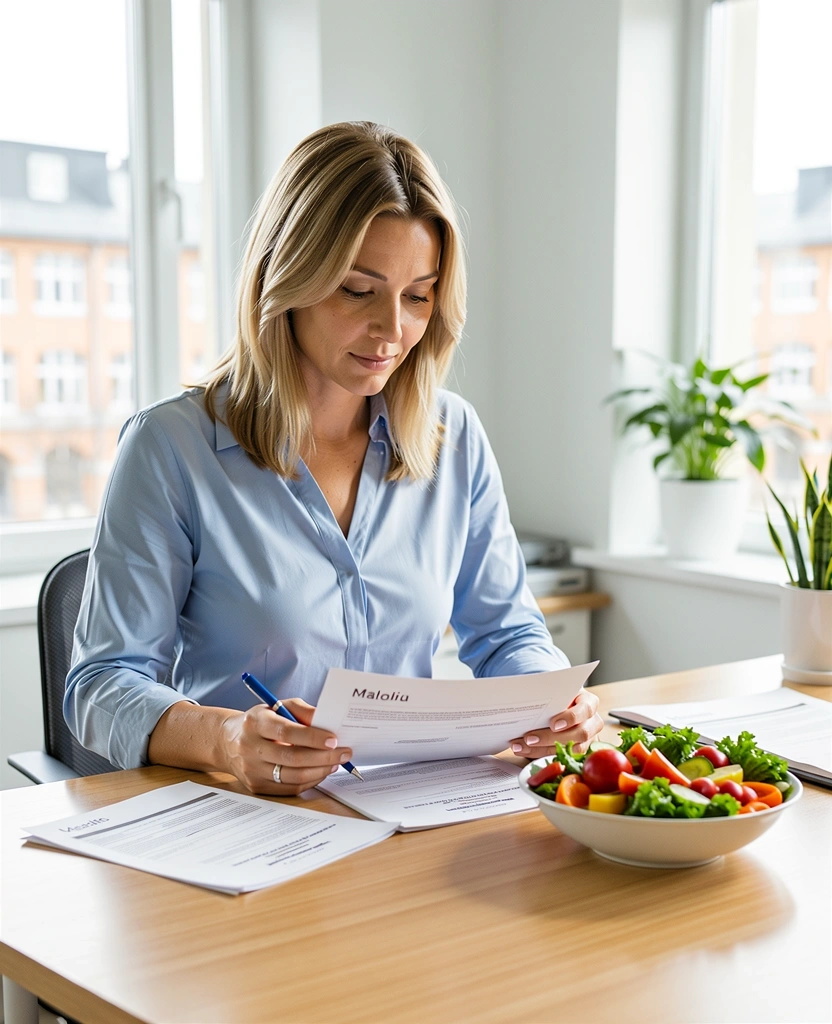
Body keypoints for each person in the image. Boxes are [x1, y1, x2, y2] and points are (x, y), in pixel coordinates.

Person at [66, 121, 602, 795]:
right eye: (358, 290)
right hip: (247, 820)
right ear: (288, 275)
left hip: (411, 811)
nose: (393, 330)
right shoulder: (171, 449)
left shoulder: (453, 437)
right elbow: (101, 685)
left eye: (418, 296)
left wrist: (550, 696)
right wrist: (229, 739)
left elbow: (507, 632)